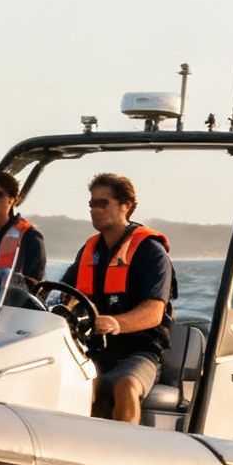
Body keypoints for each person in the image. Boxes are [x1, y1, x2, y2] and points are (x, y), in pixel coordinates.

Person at [62, 172, 173, 423]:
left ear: (127, 206)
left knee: (126, 386)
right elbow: (65, 295)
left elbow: (154, 311)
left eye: (103, 203)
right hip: (92, 349)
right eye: (92, 203)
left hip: (138, 351)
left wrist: (116, 323)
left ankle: (126, 447)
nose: (95, 209)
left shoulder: (150, 252)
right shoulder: (89, 251)